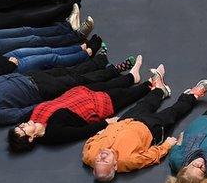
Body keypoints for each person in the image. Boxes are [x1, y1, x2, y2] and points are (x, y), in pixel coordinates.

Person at [0, 51, 120, 134]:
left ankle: (99, 61)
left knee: (68, 71)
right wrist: (47, 103)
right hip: (39, 90)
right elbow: (19, 114)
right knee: (78, 81)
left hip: (27, 77)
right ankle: (113, 72)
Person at [83, 68, 207, 182]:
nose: (102, 156)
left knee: (146, 103)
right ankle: (193, 95)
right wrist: (166, 145)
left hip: (125, 121)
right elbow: (151, 156)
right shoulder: (128, 161)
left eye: (98, 160)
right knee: (173, 112)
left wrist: (100, 133)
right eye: (105, 161)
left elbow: (89, 144)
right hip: (151, 129)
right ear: (115, 166)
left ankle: (160, 90)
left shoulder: (90, 156)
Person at [8, 60, 156, 152]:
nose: (22, 125)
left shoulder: (32, 117)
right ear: (31, 138)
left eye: (19, 126)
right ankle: (150, 84)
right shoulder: (52, 135)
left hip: (77, 95)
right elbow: (80, 132)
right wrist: (106, 123)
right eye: (22, 129)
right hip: (95, 108)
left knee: (108, 85)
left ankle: (132, 77)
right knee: (122, 95)